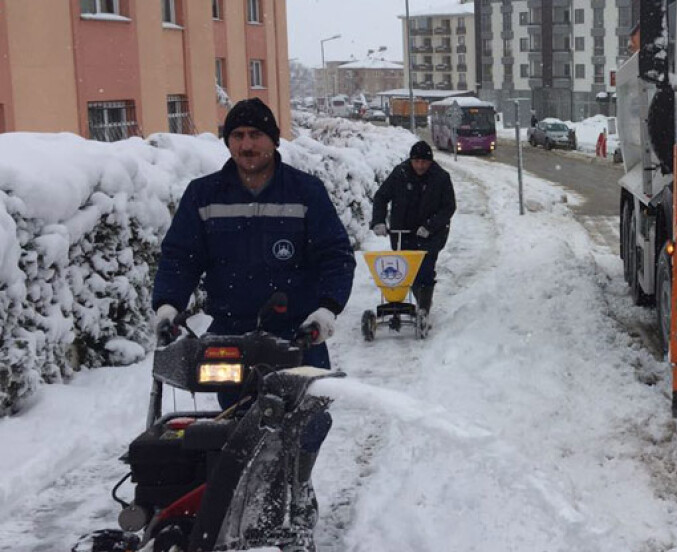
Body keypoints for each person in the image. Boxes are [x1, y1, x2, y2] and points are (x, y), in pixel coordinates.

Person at [151, 97, 355, 475]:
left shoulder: (305, 192)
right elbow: (180, 256)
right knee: (237, 423)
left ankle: (295, 485)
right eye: (238, 136)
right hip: (230, 336)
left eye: (256, 135)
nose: (247, 145)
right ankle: (242, 495)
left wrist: (326, 309)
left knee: (309, 421)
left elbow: (335, 255)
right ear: (228, 142)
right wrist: (168, 305)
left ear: (274, 140)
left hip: (297, 337)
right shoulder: (204, 194)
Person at [370, 141, 457, 317]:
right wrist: (378, 221)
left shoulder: (441, 178)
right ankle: (417, 299)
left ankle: (424, 307)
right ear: (410, 160)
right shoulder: (400, 174)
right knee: (406, 271)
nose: (420, 166)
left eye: (424, 162)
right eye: (416, 161)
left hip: (430, 235)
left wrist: (429, 226)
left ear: (430, 162)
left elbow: (449, 207)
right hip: (403, 233)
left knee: (424, 270)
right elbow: (381, 197)